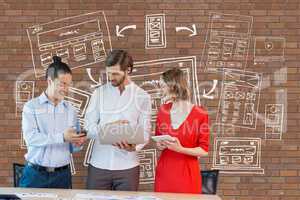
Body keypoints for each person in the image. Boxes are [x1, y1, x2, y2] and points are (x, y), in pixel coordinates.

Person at [84, 49, 151, 191]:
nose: (110, 77)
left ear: (128, 70)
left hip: (128, 167)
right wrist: (109, 128)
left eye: (115, 73)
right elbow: (87, 127)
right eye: (108, 73)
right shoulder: (99, 93)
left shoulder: (143, 96)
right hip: (99, 165)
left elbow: (145, 133)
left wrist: (134, 147)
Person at [19, 56, 86, 188]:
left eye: (68, 84)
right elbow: (31, 139)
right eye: (62, 84)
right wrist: (62, 137)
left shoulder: (71, 110)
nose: (66, 89)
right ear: (49, 81)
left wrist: (77, 142)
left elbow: (72, 147)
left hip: (63, 176)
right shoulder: (31, 107)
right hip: (35, 175)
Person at [154, 68, 210, 194]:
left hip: (187, 175)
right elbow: (158, 142)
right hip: (164, 174)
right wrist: (160, 144)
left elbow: (204, 150)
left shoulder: (200, 114)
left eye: (162, 86)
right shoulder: (163, 110)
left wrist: (181, 149)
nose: (160, 91)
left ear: (173, 86)